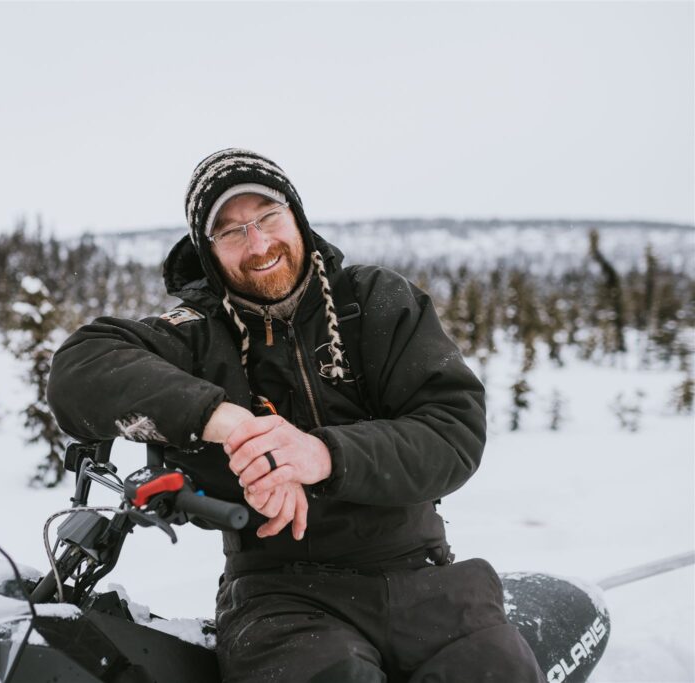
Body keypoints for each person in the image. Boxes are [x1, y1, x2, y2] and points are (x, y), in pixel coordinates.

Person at [48, 149, 543, 682]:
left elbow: (453, 432)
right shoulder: (194, 331)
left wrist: (322, 454)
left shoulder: (375, 301)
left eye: (267, 217)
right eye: (231, 231)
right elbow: (81, 369)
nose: (258, 244)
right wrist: (231, 424)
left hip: (421, 573)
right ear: (207, 251)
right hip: (279, 595)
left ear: (297, 216)